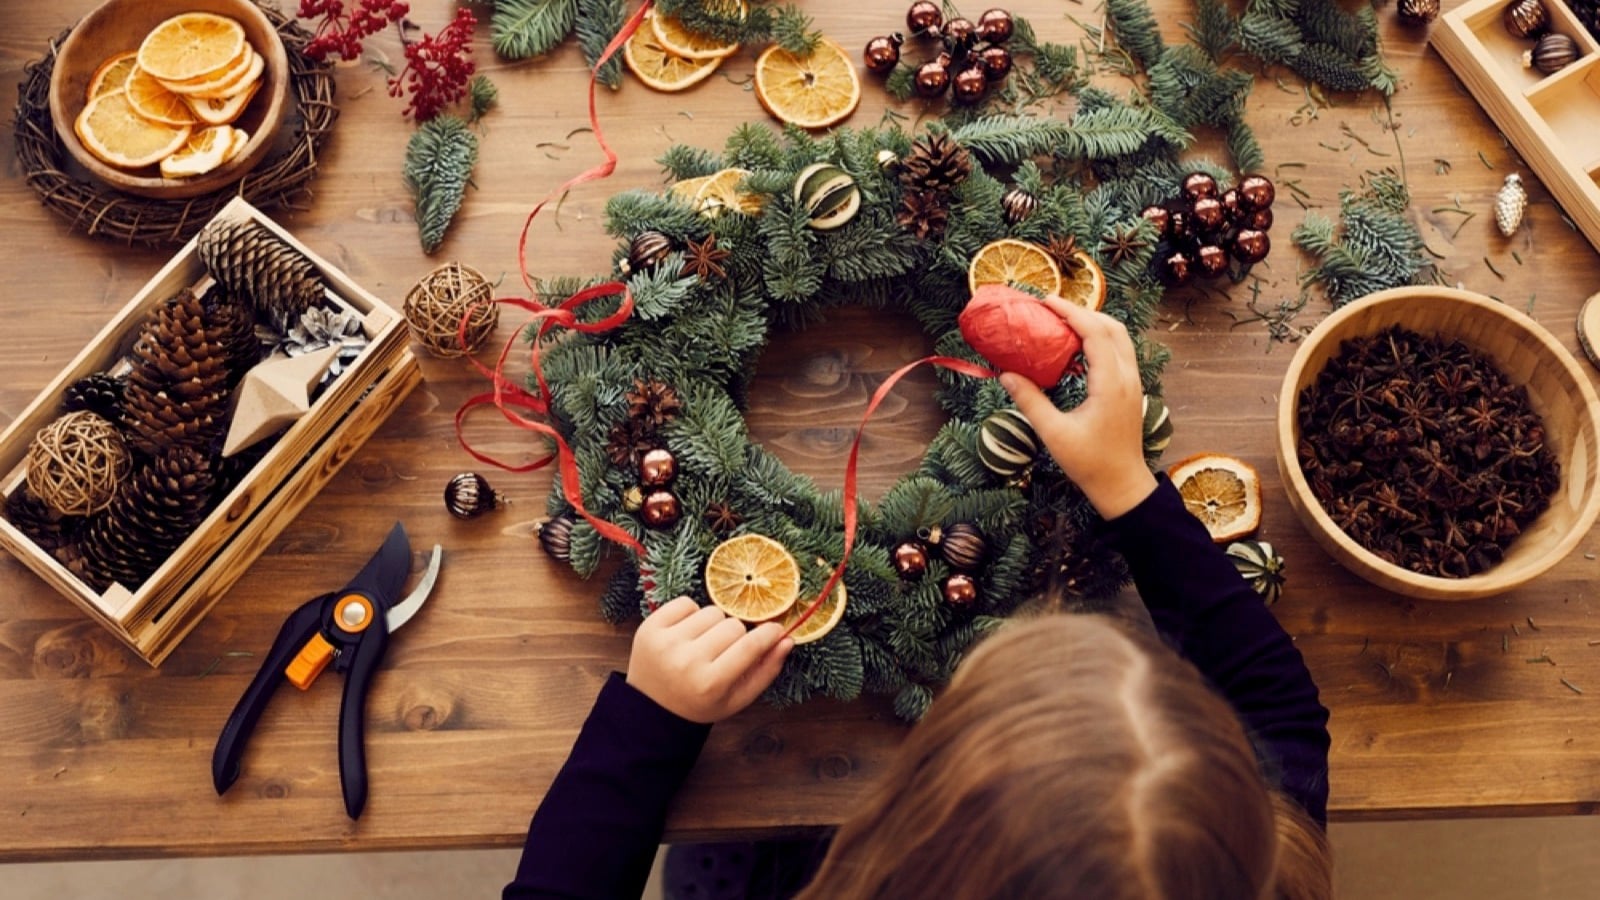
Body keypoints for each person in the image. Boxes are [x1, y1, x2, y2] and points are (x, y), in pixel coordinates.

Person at [504, 297, 1332, 899]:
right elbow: (1283, 712)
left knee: (728, 868)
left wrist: (647, 726)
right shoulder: (1256, 861)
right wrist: (1127, 488)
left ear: (911, 838)